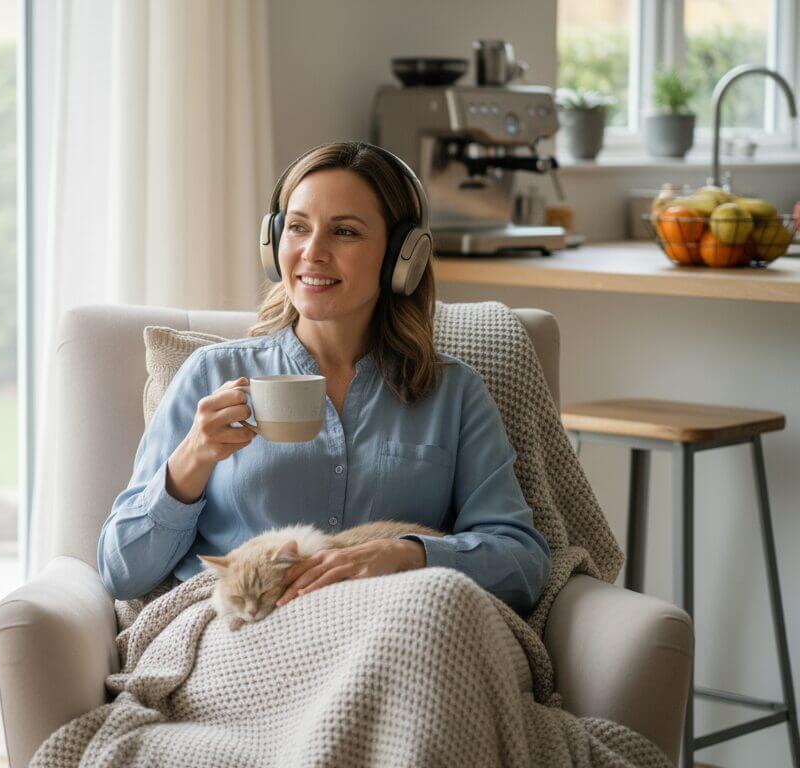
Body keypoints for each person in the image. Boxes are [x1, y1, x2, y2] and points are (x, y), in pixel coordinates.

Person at [97, 141, 550, 613]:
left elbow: (523, 563)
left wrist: (406, 555)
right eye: (297, 228)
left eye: (345, 232)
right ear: (274, 244)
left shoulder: (453, 394)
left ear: (401, 256)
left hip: (394, 628)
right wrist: (190, 460)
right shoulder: (212, 374)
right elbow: (121, 571)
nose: (313, 252)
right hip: (245, 636)